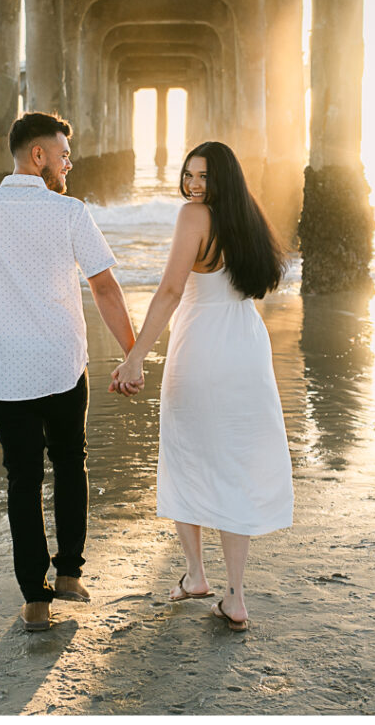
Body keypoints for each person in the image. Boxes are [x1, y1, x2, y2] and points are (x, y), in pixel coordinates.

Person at [0, 112, 142, 633]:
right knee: (69, 463)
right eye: (62, 153)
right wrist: (132, 350)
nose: (68, 162)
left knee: (22, 479)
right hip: (60, 363)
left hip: (3, 368)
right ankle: (70, 576)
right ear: (38, 156)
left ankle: (35, 599)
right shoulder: (69, 213)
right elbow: (104, 287)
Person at [112, 141, 293, 631]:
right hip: (247, 347)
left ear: (220, 181)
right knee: (234, 463)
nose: (193, 185)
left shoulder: (194, 217)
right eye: (189, 174)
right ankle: (234, 595)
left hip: (202, 346)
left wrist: (135, 356)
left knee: (185, 453)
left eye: (203, 176)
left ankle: (196, 575)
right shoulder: (249, 219)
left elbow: (171, 290)